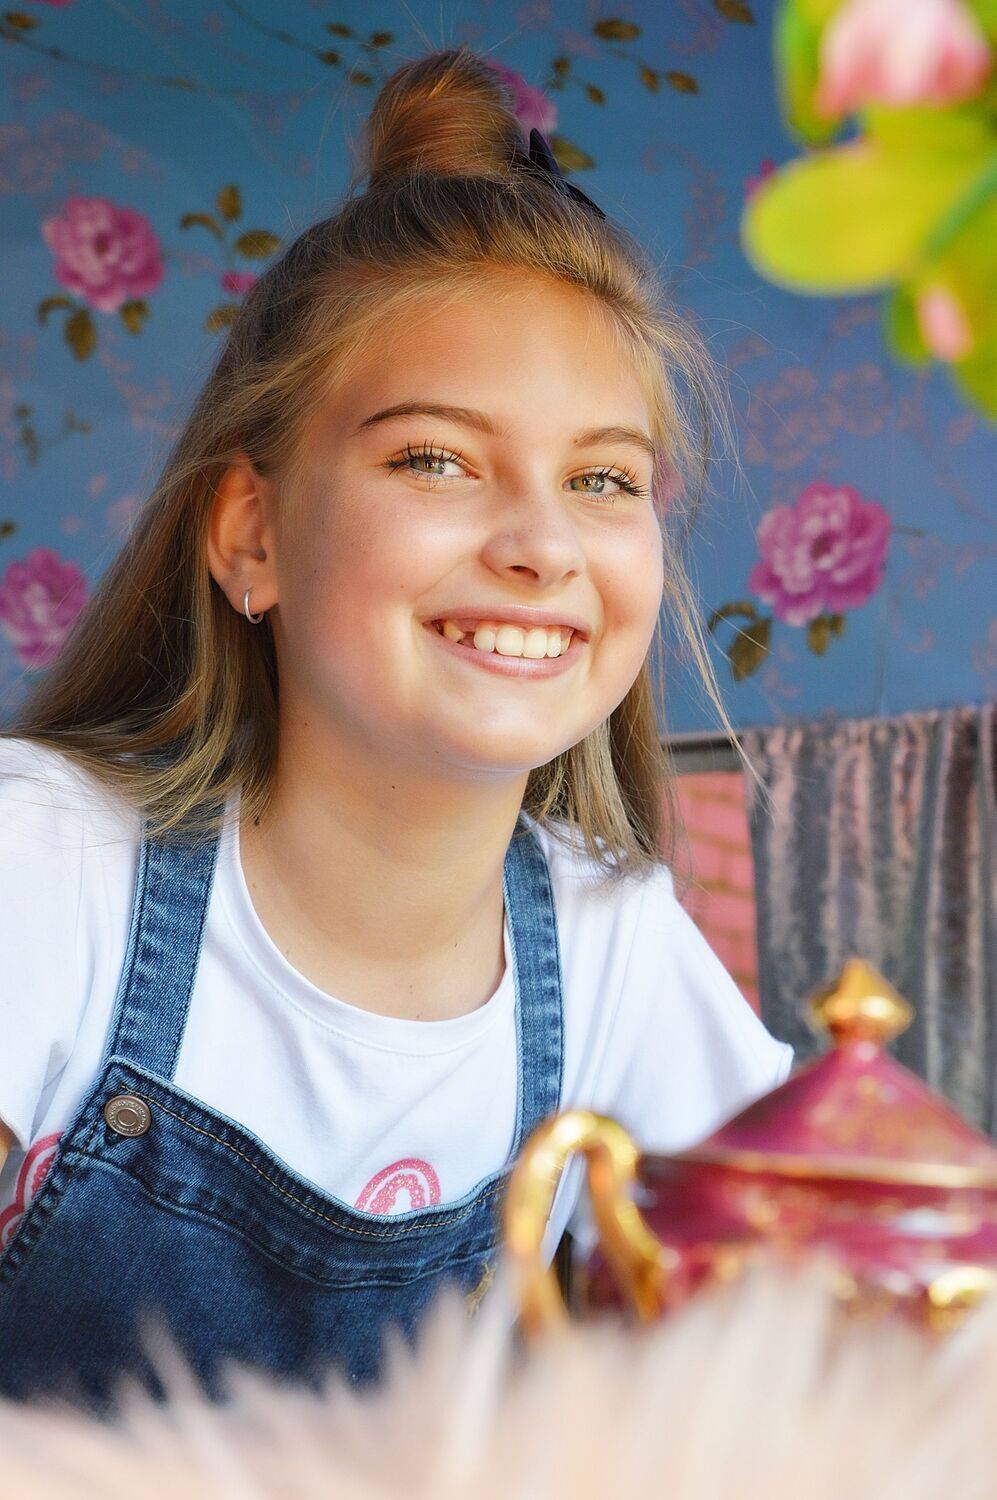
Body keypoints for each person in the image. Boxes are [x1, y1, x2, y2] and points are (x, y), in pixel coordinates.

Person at [0, 46, 793, 1418]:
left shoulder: (611, 946)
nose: (543, 544)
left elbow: (815, 1326)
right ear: (253, 533)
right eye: (436, 458)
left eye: (604, 479)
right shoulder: (45, 863)